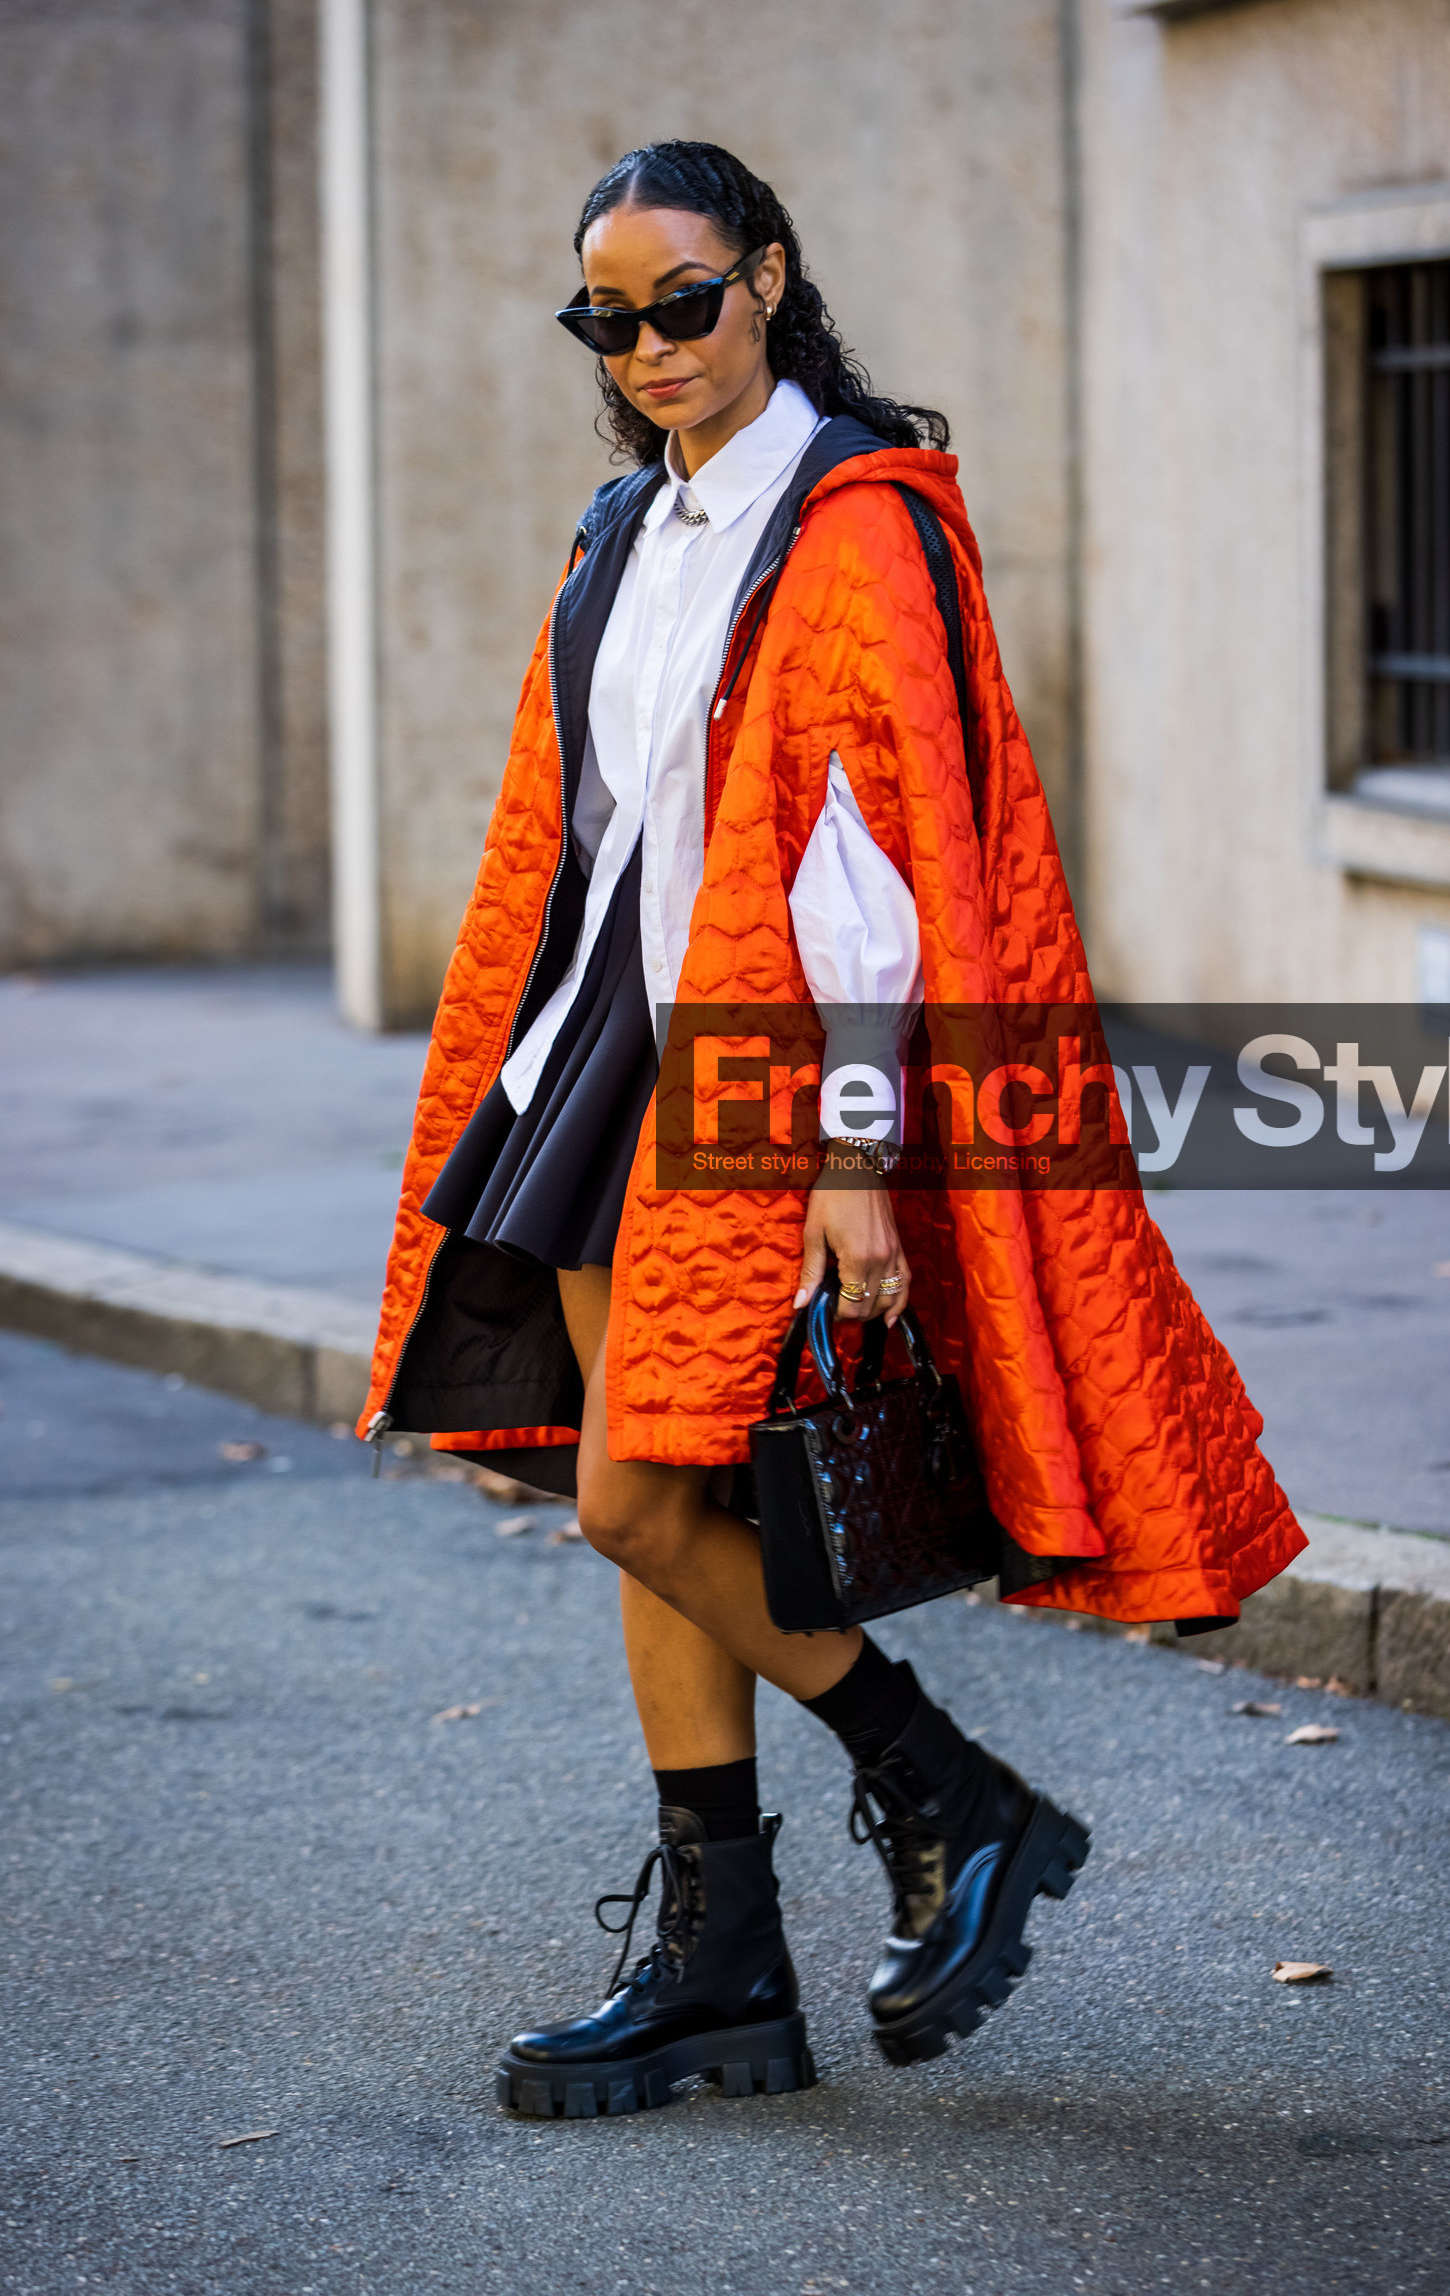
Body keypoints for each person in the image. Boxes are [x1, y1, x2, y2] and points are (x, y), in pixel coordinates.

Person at [359, 140, 1304, 2120]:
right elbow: (588, 832)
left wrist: (855, 1153)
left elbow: (872, 865)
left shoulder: (849, 518)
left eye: (684, 301)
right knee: (650, 1508)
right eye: (608, 319)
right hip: (602, 1055)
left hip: (758, 1063)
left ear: (770, 279)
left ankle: (949, 1793)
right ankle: (720, 1966)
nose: (649, 347)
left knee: (635, 1502)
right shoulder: (627, 526)